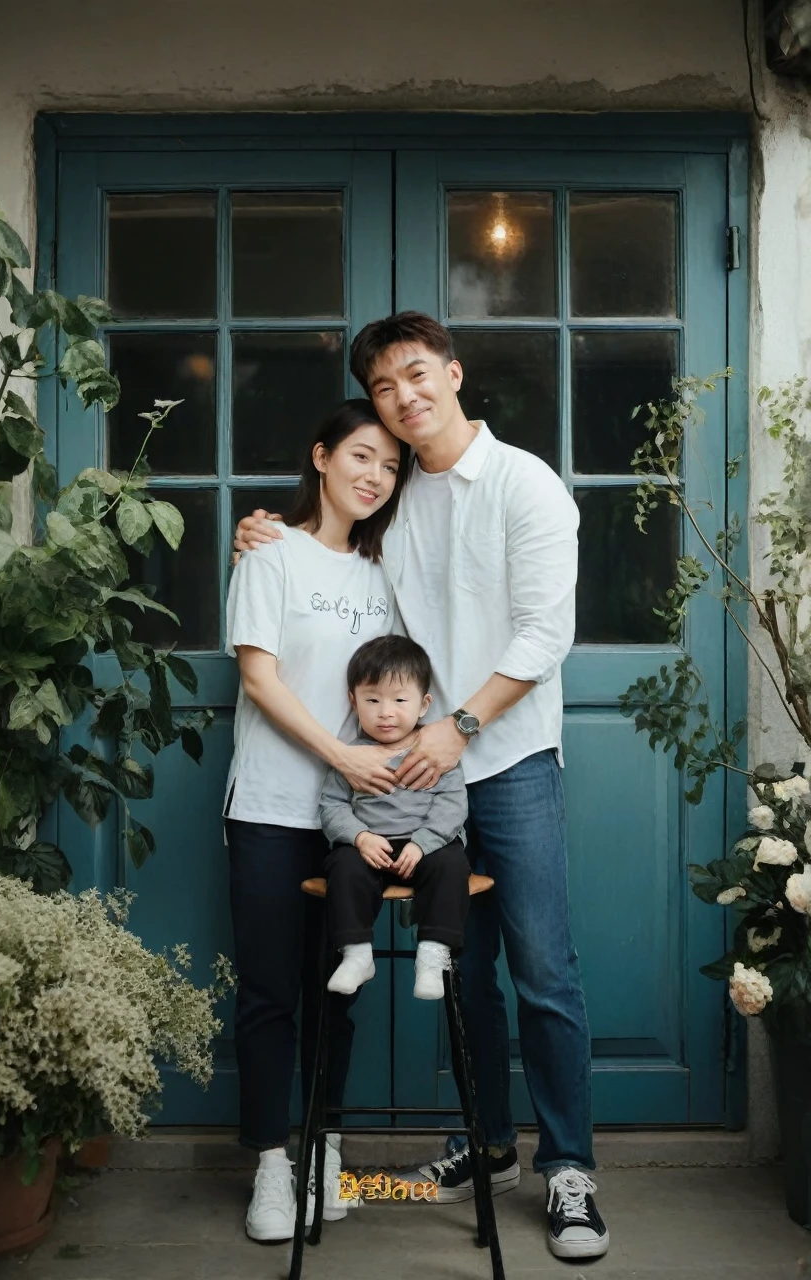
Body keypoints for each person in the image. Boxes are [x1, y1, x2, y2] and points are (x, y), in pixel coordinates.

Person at [233, 312, 609, 1261]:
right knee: (466, 976)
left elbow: (543, 636)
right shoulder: (394, 500)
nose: (404, 398)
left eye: (415, 375)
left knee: (543, 971)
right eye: (385, 386)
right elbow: (332, 562)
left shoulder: (525, 483)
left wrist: (460, 727)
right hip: (410, 778)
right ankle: (489, 1148)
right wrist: (265, 532)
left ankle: (570, 1170)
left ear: (452, 372)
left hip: (504, 760)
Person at [225, 398, 410, 1244]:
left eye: (391, 466)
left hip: (359, 824)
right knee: (271, 991)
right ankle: (271, 1165)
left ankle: (326, 1148)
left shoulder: (389, 574)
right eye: (362, 457)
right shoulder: (271, 553)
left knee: (338, 989)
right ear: (323, 457)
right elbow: (261, 680)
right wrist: (341, 757)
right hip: (270, 805)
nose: (376, 476)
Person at [320, 634, 471, 1001]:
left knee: (452, 865)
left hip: (426, 845)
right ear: (353, 701)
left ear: (423, 704)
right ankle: (356, 954)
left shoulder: (433, 751)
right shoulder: (350, 755)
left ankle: (433, 955)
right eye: (372, 700)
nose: (386, 712)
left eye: (400, 700)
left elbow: (453, 804)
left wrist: (423, 843)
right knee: (343, 866)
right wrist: (359, 837)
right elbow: (332, 806)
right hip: (372, 846)